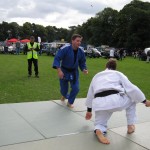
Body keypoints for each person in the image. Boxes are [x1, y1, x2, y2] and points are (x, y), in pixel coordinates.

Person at [85, 58, 150, 144]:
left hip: (99, 103)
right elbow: (131, 88)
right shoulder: (118, 73)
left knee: (100, 123)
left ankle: (99, 130)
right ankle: (130, 126)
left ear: (106, 66)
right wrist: (144, 101)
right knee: (132, 99)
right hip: (115, 100)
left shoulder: (97, 76)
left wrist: (89, 111)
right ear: (115, 68)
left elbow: (90, 94)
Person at [52, 34, 88, 108]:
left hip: (74, 72)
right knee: (64, 90)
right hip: (64, 71)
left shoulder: (81, 51)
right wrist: (59, 70)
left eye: (80, 41)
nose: (79, 43)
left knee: (76, 88)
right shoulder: (65, 49)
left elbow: (82, 62)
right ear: (72, 41)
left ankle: (70, 102)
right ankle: (64, 95)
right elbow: (57, 58)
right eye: (77, 41)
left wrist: (84, 69)